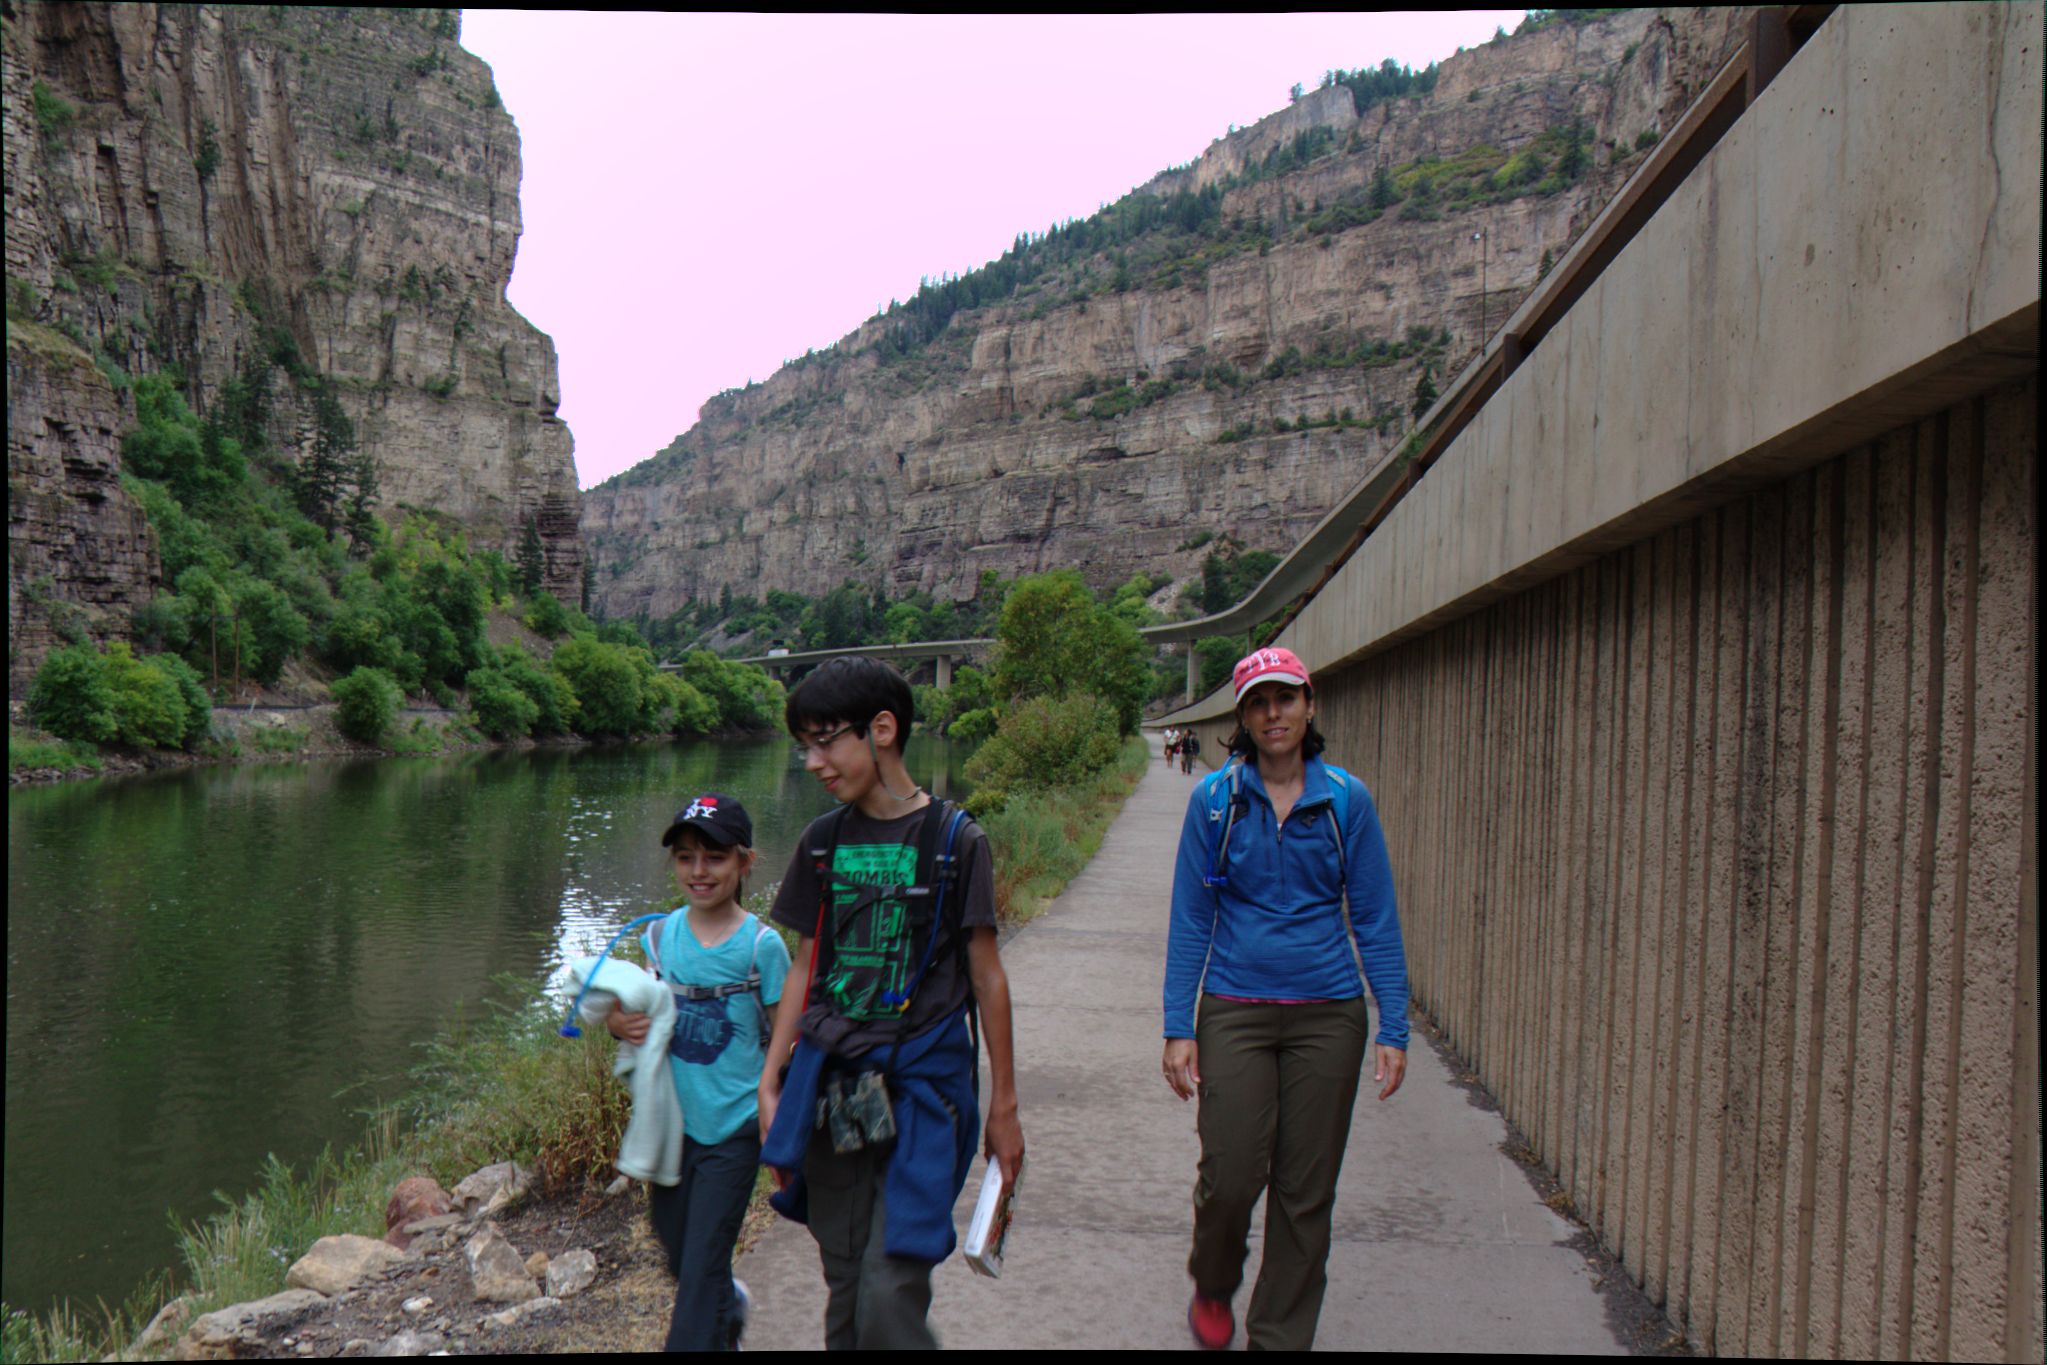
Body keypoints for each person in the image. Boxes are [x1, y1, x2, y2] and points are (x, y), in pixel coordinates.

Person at [757, 656, 1025, 1350]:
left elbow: (987, 977)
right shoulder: (822, 841)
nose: (813, 761)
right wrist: (770, 1079)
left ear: (882, 729)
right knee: (846, 1293)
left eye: (826, 740)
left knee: (888, 1290)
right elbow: (807, 963)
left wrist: (1004, 1105)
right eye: (804, 745)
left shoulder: (956, 840)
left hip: (924, 1095)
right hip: (834, 1092)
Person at [1161, 646, 1409, 1351]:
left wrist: (1394, 1022)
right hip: (1234, 1006)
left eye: (1285, 698)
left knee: (1305, 1193)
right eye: (1259, 702)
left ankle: (1277, 1336)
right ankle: (1213, 1280)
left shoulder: (1345, 800)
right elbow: (1189, 917)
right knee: (1230, 1174)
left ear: (1309, 703)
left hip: (1328, 1013)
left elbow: (1374, 916)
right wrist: (1179, 1023)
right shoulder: (1214, 801)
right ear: (1242, 716)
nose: (1274, 713)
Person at [605, 793, 791, 1352]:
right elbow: (629, 1008)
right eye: (685, 858)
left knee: (700, 1271)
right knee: (681, 1252)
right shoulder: (661, 937)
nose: (699, 871)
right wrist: (618, 1023)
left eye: (714, 858)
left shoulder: (763, 947)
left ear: (744, 863)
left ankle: (704, 1326)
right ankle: (726, 1313)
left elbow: (787, 1036)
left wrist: (776, 1109)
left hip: (732, 1128)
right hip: (670, 1126)